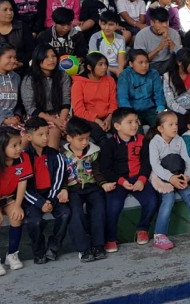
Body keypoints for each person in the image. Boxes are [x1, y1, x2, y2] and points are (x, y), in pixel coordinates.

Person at [99, 107, 158, 253]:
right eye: (129, 122)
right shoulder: (109, 144)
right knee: (113, 207)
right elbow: (106, 169)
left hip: (138, 178)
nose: (135, 125)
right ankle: (111, 238)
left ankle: (142, 228)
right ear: (117, 126)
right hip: (118, 181)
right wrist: (121, 181)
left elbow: (146, 162)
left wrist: (142, 180)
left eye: (136, 121)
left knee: (152, 200)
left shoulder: (142, 140)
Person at [148, 110, 190, 249]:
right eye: (170, 124)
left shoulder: (179, 140)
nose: (175, 127)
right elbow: (155, 166)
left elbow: (186, 160)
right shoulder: (155, 143)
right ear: (160, 128)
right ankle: (159, 235)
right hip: (164, 178)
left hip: (180, 176)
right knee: (168, 200)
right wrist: (170, 178)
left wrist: (186, 176)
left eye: (176, 124)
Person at [0, 126, 32, 277]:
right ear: (1, 148)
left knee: (17, 217)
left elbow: (23, 183)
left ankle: (12, 254)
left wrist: (17, 205)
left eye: (19, 144)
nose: (19, 149)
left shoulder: (24, 158)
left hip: (9, 198)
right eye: (14, 146)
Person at [22, 117, 71, 265]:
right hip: (32, 197)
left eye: (47, 134)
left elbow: (59, 178)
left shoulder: (55, 154)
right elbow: (22, 186)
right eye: (40, 135)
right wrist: (40, 202)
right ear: (29, 136)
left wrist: (50, 199)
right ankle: (38, 251)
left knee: (65, 213)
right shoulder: (23, 157)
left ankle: (54, 247)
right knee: (35, 222)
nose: (45, 138)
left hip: (51, 194)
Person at [63, 117, 108, 263]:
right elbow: (60, 175)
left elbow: (97, 172)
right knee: (75, 213)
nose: (85, 143)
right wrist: (63, 189)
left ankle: (98, 245)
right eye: (80, 139)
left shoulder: (94, 152)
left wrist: (103, 184)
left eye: (87, 139)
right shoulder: (62, 154)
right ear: (69, 138)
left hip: (92, 187)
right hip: (72, 190)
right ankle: (83, 249)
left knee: (99, 208)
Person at [21, 44, 71, 150]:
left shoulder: (63, 76)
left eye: (53, 56)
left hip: (60, 114)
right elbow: (30, 108)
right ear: (38, 59)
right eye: (46, 57)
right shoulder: (29, 79)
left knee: (74, 129)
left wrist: (61, 120)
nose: (51, 60)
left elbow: (66, 101)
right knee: (53, 130)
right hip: (38, 116)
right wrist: (55, 122)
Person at [71, 53, 118, 145]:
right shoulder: (79, 83)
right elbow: (79, 111)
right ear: (89, 67)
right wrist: (97, 120)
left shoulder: (110, 80)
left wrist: (109, 118)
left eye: (105, 64)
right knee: (102, 138)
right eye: (100, 64)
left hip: (107, 116)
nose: (104, 67)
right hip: (87, 118)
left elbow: (113, 103)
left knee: (122, 130)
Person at [116, 49, 164, 128]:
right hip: (132, 110)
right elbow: (123, 99)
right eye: (140, 63)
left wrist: (161, 108)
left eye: (146, 62)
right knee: (134, 130)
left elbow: (159, 93)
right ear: (131, 64)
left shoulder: (154, 73)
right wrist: (131, 115)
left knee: (163, 125)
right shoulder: (125, 75)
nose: (144, 65)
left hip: (151, 109)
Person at [134, 6, 177, 75]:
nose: (165, 25)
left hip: (168, 63)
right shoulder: (141, 35)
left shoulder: (174, 33)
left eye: (166, 22)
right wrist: (159, 48)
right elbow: (140, 60)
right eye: (160, 22)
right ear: (152, 23)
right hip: (150, 65)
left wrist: (169, 41)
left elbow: (179, 56)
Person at [163, 49, 190, 116]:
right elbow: (170, 102)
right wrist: (185, 113)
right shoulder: (168, 77)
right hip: (177, 111)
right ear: (179, 62)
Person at [88, 10, 127, 77]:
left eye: (111, 25)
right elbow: (94, 60)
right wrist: (115, 71)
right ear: (100, 23)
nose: (107, 28)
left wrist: (120, 71)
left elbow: (121, 60)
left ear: (117, 25)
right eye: (104, 24)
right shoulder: (95, 38)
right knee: (106, 73)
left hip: (116, 67)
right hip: (100, 66)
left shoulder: (121, 39)